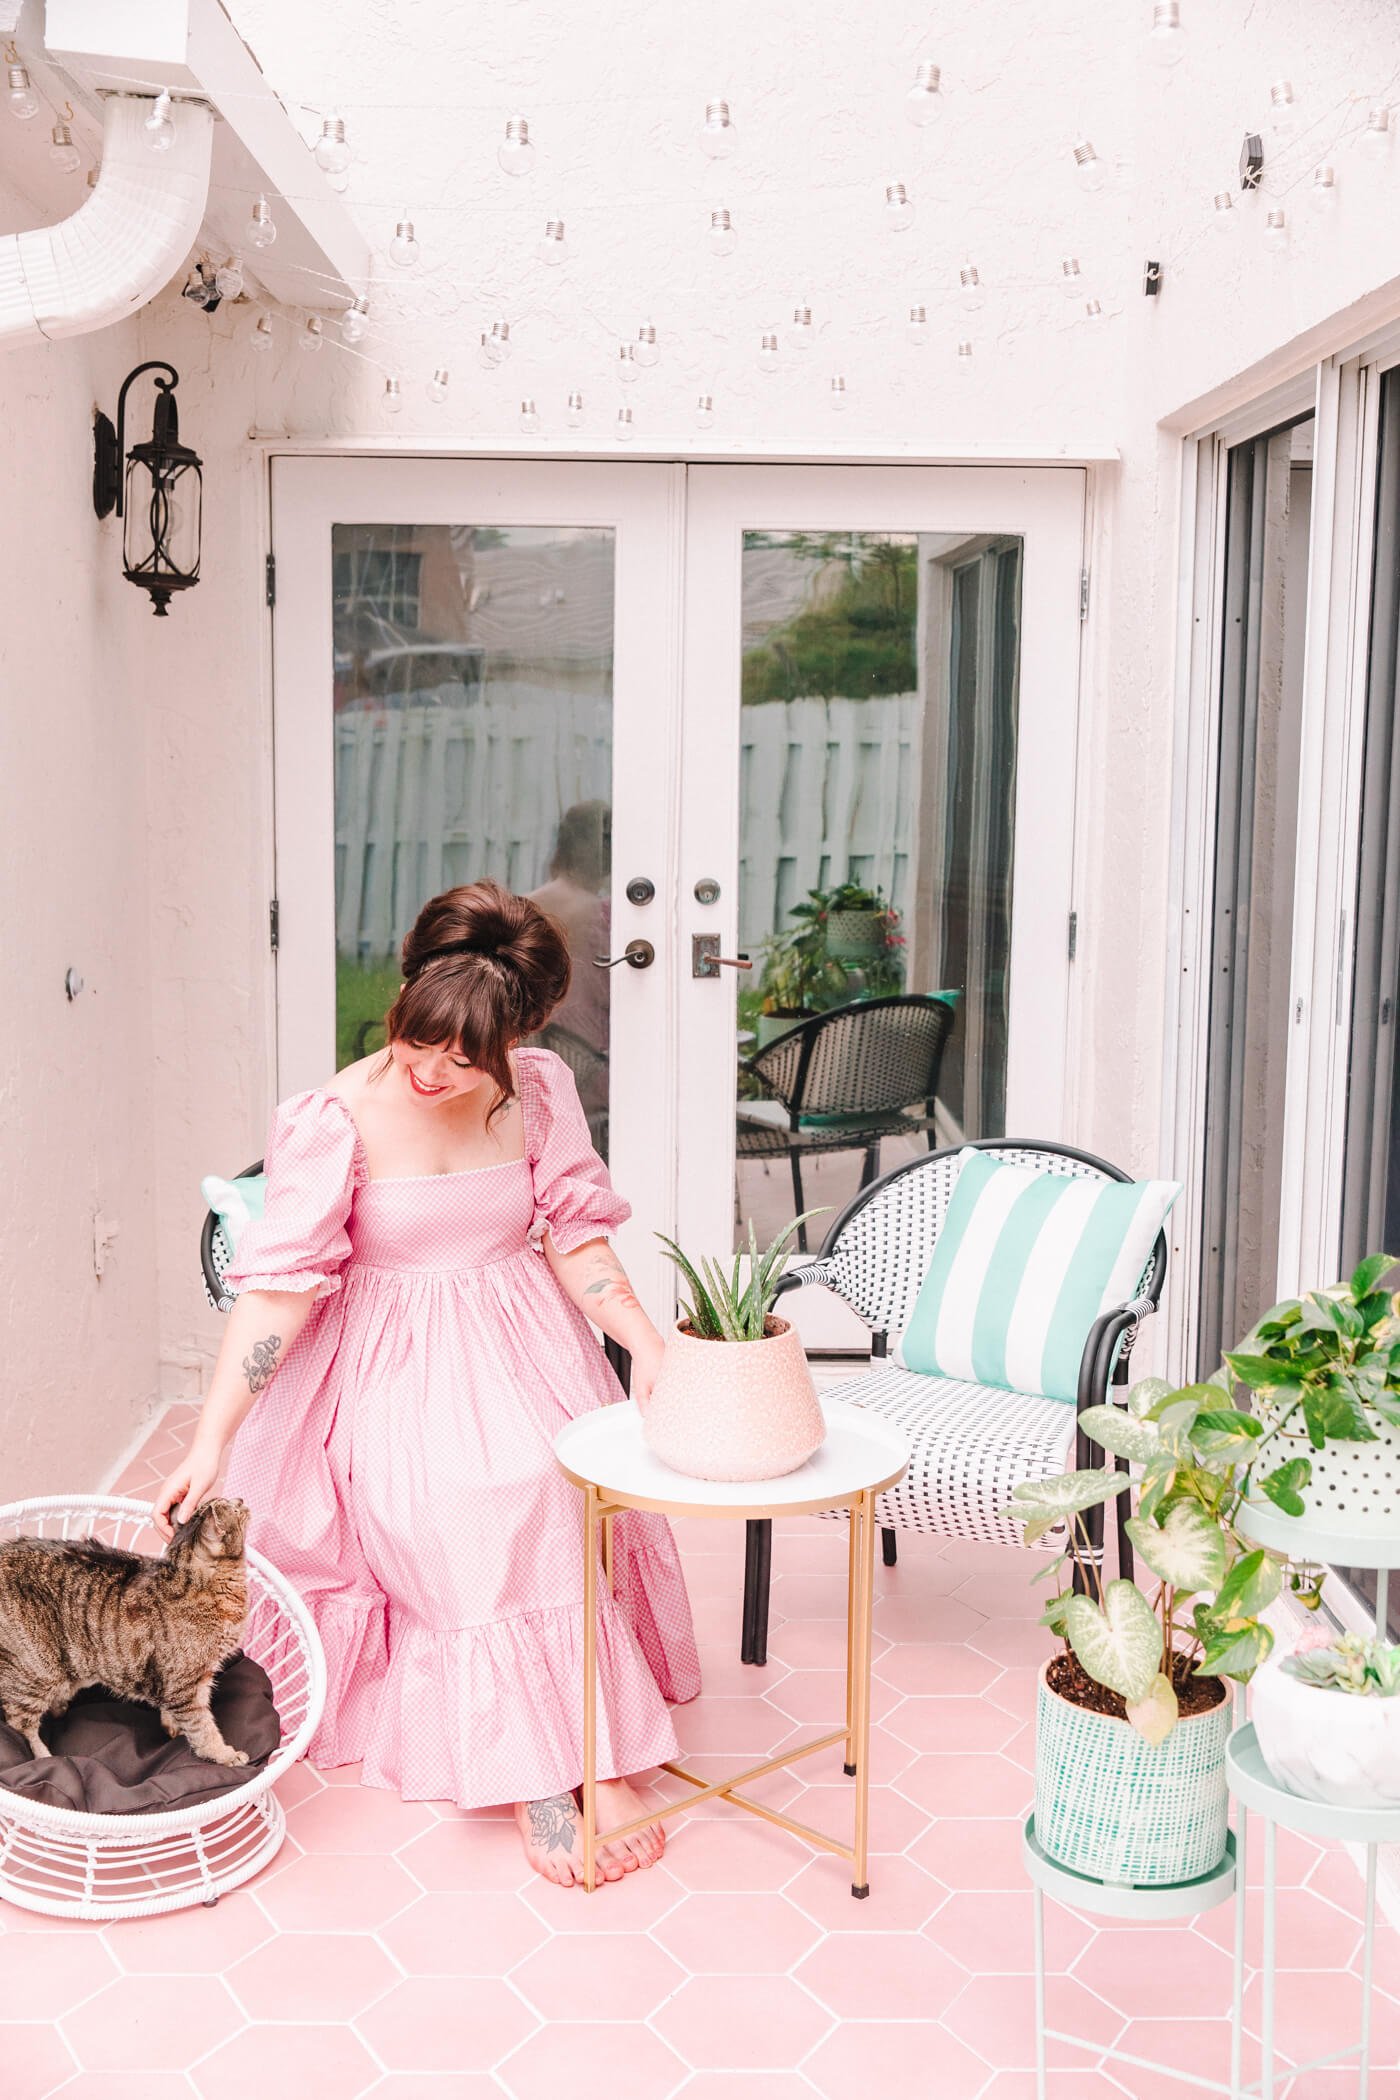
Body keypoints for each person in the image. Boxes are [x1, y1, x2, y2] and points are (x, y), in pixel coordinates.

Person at [154, 880, 700, 1888]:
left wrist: (647, 1344)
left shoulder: (537, 1090)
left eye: (469, 1055)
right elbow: (276, 1300)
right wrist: (209, 1441)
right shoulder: (332, 1119)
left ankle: (595, 1747)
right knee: (462, 1503)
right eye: (422, 1039)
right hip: (388, 1357)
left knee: (558, 1483)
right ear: (403, 994)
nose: (438, 1071)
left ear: (512, 1039)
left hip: (522, 1338)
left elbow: (574, 1233)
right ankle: (548, 1770)